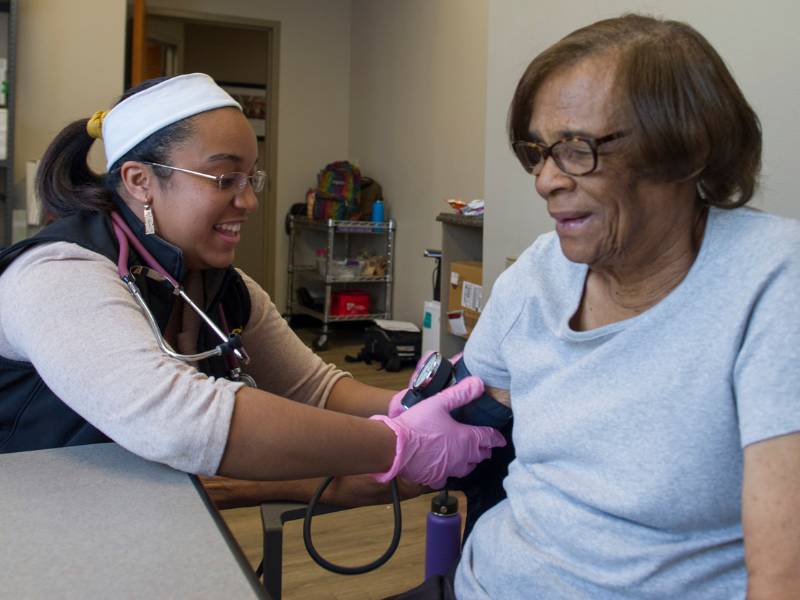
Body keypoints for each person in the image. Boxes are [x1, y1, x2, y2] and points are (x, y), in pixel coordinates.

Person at [395, 13, 800, 600]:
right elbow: (457, 414)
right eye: (539, 151)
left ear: (687, 150)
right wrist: (396, 442)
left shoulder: (772, 281)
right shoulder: (537, 274)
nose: (545, 181)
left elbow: (780, 581)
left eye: (578, 149)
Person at [0, 73, 506, 505]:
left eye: (251, 178)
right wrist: (393, 443)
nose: (249, 201)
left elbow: (316, 389)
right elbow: (180, 420)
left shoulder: (223, 288)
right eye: (223, 178)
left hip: (142, 523)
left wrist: (406, 407)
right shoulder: (57, 275)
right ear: (138, 180)